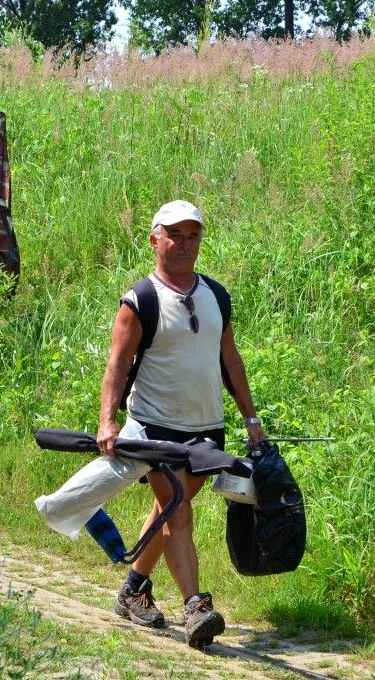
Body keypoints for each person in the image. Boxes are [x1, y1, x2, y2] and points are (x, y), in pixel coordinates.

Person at [97, 199, 265, 648]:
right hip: (155, 428)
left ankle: (133, 588)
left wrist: (250, 418)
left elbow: (230, 358)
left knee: (167, 510)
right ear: (155, 240)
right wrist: (108, 421)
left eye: (193, 236)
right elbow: (117, 363)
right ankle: (196, 607)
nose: (184, 244)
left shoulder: (216, 295)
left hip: (206, 428)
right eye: (174, 235)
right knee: (179, 511)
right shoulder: (140, 300)